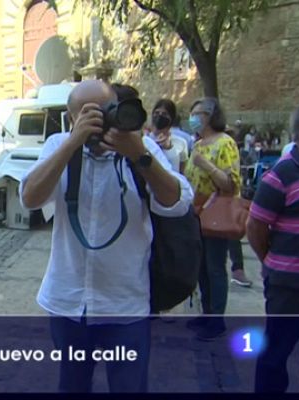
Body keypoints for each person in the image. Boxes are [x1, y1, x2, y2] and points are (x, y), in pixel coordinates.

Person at [20, 80, 193, 393]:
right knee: (71, 387)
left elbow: (176, 203)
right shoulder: (59, 144)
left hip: (125, 304)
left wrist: (140, 156)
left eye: (108, 111)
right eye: (90, 115)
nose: (102, 121)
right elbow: (30, 199)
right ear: (72, 119)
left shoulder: (141, 147)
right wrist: (72, 144)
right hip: (68, 302)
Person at [247, 101, 299, 393]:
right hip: (289, 289)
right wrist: (274, 261)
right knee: (275, 358)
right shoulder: (281, 175)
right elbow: (255, 227)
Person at [184, 97, 242, 341]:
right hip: (196, 212)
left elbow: (230, 183)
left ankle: (216, 319)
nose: (193, 118)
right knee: (200, 267)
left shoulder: (224, 143)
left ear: (210, 115)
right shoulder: (197, 144)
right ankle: (206, 313)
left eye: (197, 113)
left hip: (215, 213)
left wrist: (206, 165)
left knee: (215, 266)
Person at [149, 99, 188, 173]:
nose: (159, 116)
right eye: (156, 113)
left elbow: (182, 170)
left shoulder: (181, 142)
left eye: (164, 114)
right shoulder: (145, 140)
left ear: (171, 118)